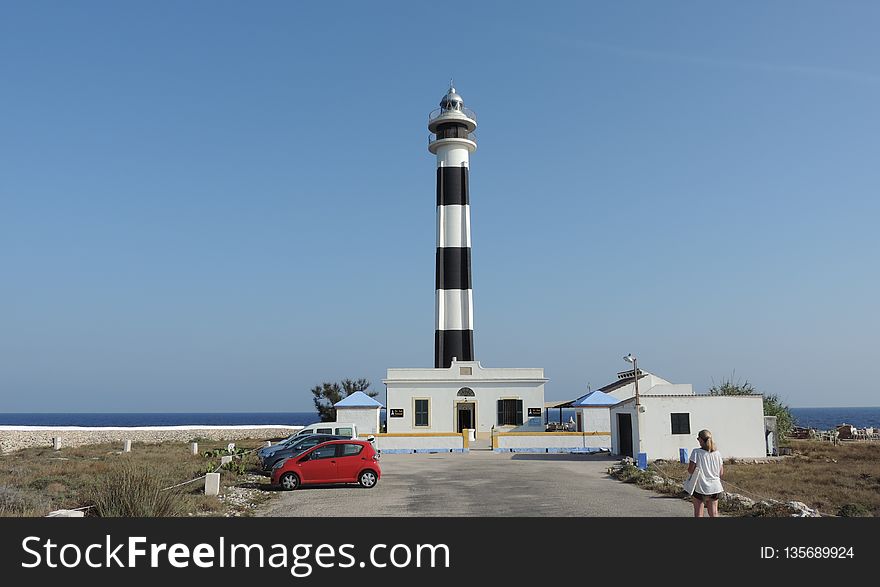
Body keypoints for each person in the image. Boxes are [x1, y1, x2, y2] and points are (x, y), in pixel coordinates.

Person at [688, 429, 724, 518]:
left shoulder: (696, 452)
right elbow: (721, 472)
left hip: (701, 486)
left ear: (700, 440)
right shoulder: (717, 453)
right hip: (716, 486)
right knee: (714, 513)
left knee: (699, 514)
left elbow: (690, 470)